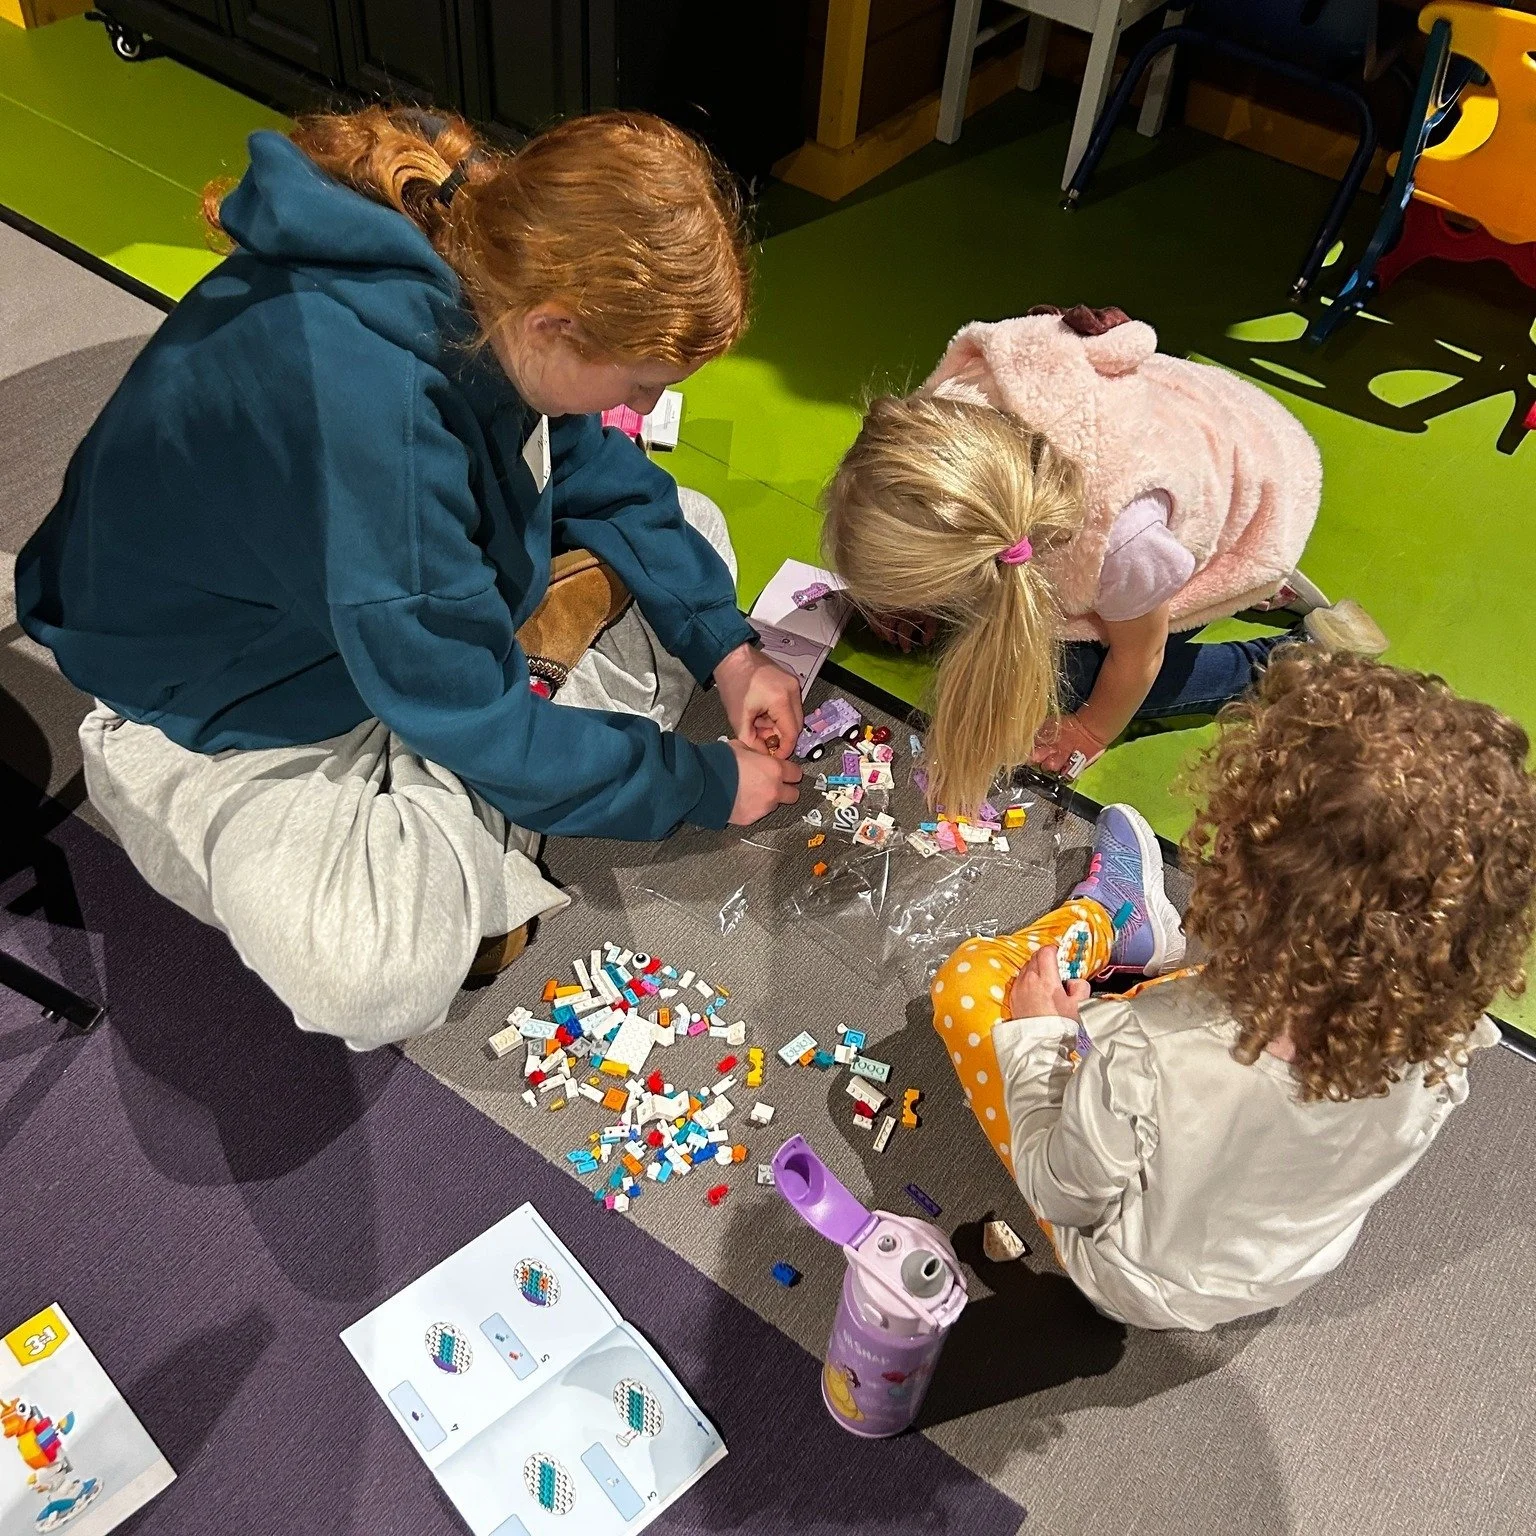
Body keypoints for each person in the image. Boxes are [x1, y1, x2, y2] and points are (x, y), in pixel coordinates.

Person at [15, 106, 803, 1048]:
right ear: (556, 325)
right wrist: (702, 785)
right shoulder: (377, 423)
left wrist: (730, 650)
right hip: (210, 718)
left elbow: (589, 464)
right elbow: (474, 705)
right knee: (374, 977)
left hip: (368, 619)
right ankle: (495, 740)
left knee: (694, 538)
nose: (646, 406)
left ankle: (497, 724)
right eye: (641, 382)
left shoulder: (483, 270)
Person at [931, 649, 1536, 1330]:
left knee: (969, 984)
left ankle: (1112, 918)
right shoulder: (1450, 1040)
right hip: (1274, 1271)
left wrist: (1040, 1039)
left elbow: (1062, 1192)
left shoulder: (1153, 1047)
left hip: (1129, 1276)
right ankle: (1126, 935)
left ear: (1254, 878)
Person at [822, 303, 1385, 818]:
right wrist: (898, 599)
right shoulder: (937, 427)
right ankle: (1234, 591)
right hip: (1180, 442)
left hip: (1253, 487)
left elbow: (1142, 655)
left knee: (1075, 681)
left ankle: (1293, 654)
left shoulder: (1118, 542)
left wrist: (1089, 731)